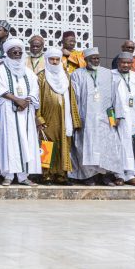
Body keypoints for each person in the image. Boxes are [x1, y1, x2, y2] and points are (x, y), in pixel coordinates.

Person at [69, 47, 126, 185]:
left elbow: (115, 96)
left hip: (105, 119)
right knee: (86, 147)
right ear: (85, 59)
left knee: (107, 147)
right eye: (92, 58)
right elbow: (73, 99)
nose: (95, 60)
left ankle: (105, 176)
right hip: (85, 119)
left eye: (97, 58)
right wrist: (75, 119)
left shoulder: (107, 74)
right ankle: (89, 176)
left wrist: (117, 115)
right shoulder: (77, 74)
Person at [0, 38, 40, 186]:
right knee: (9, 142)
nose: (17, 54)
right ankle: (8, 175)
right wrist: (16, 100)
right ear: (7, 53)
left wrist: (25, 102)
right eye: (14, 52)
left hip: (25, 112)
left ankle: (23, 177)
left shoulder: (29, 72)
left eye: (19, 52)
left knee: (26, 143)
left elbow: (35, 89)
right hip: (8, 111)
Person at [36, 47, 81, 184]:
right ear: (47, 60)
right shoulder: (41, 76)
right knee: (47, 146)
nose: (55, 62)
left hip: (65, 118)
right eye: (52, 59)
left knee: (64, 145)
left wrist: (75, 120)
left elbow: (72, 98)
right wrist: (39, 118)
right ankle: (47, 176)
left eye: (57, 59)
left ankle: (62, 176)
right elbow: (37, 99)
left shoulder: (66, 76)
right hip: (48, 118)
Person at [112, 52, 135, 186]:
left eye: (128, 62)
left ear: (132, 63)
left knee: (133, 146)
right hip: (117, 119)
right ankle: (119, 175)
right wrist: (112, 117)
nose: (125, 65)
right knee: (118, 146)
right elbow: (107, 100)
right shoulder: (111, 76)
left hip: (134, 118)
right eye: (123, 62)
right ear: (118, 62)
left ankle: (131, 175)